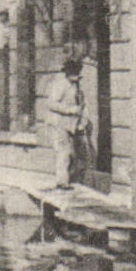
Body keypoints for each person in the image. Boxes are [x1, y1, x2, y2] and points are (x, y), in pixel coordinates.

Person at [44, 59, 89, 189]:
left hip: (69, 125)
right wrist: (70, 110)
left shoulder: (75, 85)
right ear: (68, 73)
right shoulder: (60, 84)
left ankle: (68, 180)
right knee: (63, 152)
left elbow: (81, 103)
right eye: (74, 73)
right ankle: (62, 182)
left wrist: (82, 119)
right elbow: (51, 103)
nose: (76, 77)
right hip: (57, 124)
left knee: (70, 153)